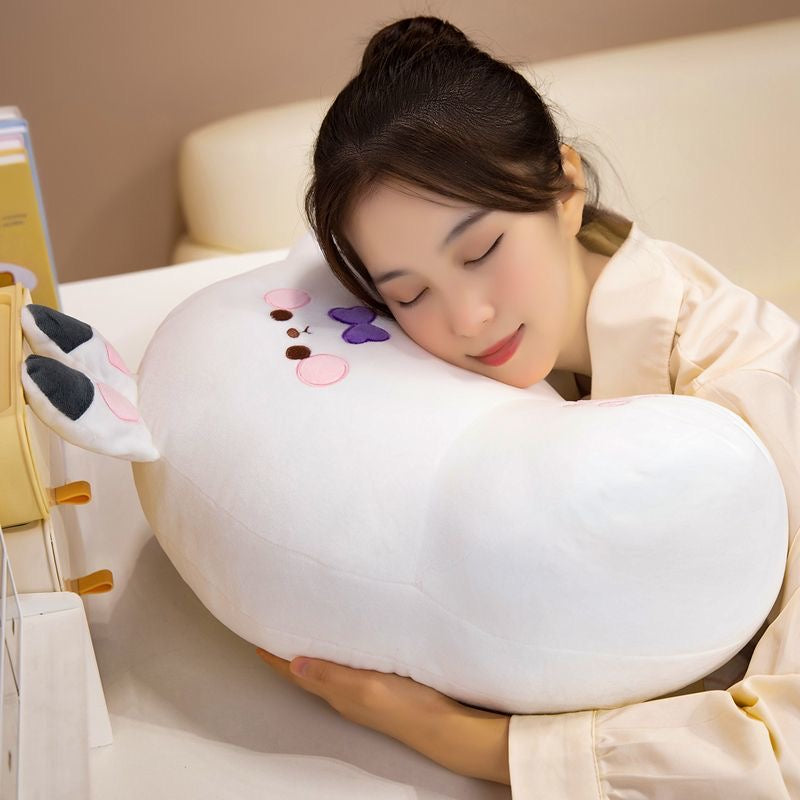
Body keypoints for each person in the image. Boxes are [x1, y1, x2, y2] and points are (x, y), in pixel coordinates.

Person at [257, 15, 800, 797]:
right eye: (409, 293)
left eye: (481, 251)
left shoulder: (749, 391)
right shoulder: (453, 370)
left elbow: (781, 748)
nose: (467, 319)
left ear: (565, 186)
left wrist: (453, 735)